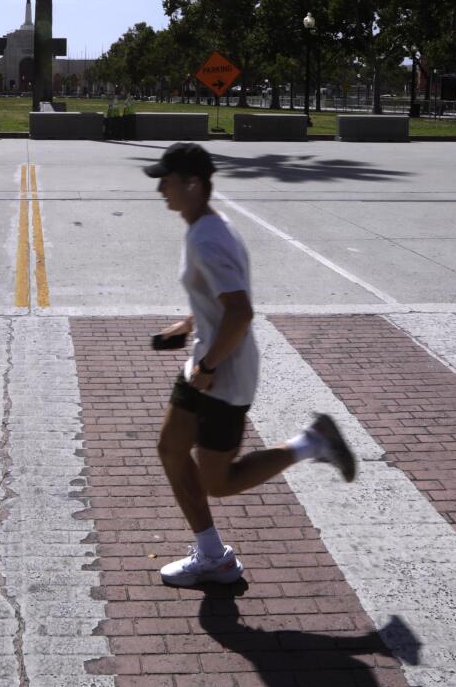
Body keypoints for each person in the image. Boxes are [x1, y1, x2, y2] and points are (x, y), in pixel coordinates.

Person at [146, 142, 356, 587]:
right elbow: (221, 300)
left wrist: (208, 369)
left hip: (224, 375)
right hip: (207, 360)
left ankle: (312, 443)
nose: (160, 187)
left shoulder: (208, 236)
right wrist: (187, 324)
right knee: (169, 448)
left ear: (193, 183)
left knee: (218, 482)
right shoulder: (204, 225)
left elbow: (240, 312)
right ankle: (211, 554)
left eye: (167, 179)